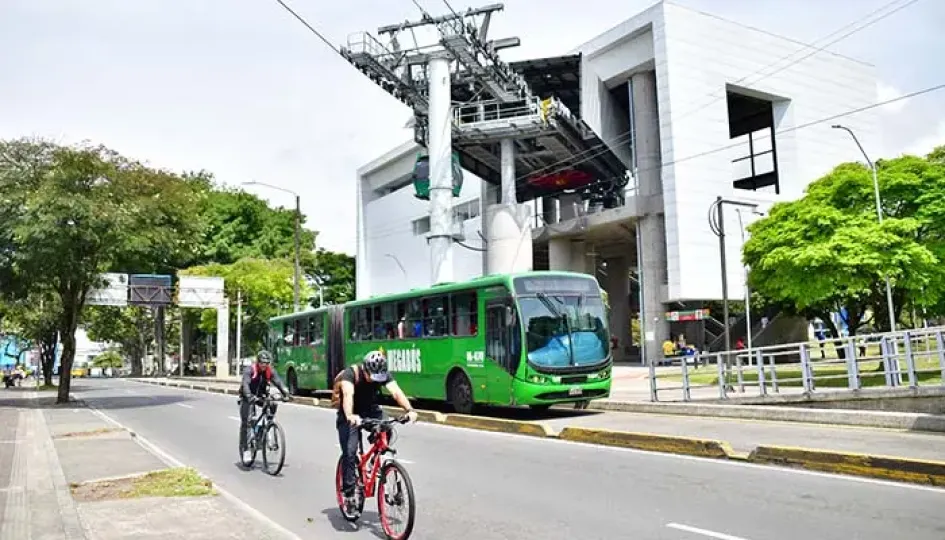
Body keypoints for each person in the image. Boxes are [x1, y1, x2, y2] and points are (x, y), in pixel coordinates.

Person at [332, 350, 418, 512]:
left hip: (370, 410)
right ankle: (349, 494)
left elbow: (396, 392)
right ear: (365, 369)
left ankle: (374, 462)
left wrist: (410, 410)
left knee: (388, 426)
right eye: (372, 376)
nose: (375, 380)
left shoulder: (383, 374)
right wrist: (350, 416)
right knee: (350, 452)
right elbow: (348, 395)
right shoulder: (351, 374)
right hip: (349, 414)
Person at [238, 350, 289, 462]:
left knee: (273, 403)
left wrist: (286, 393)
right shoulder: (250, 370)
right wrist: (249, 396)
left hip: (261, 396)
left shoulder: (269, 371)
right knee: (247, 422)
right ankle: (246, 450)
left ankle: (268, 425)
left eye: (266, 363)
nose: (264, 365)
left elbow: (278, 382)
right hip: (248, 397)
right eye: (262, 363)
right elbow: (245, 384)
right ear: (258, 362)